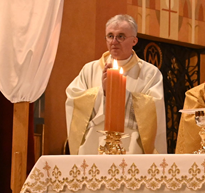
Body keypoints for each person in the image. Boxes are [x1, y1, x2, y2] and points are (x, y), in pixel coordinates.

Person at [65, 15, 167, 155]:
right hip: (94, 144)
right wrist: (103, 92)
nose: (114, 42)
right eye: (110, 36)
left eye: (121, 36)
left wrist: (119, 93)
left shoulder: (150, 73)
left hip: (131, 145)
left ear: (134, 41)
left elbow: (154, 109)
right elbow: (74, 100)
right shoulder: (89, 70)